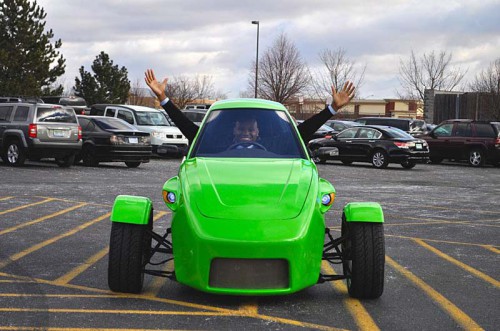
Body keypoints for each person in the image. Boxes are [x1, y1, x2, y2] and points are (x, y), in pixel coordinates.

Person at [144, 69, 355, 144]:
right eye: (242, 129)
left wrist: (332, 109)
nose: (246, 133)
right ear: (233, 129)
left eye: (250, 129)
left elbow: (303, 132)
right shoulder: (214, 146)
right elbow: (186, 126)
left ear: (258, 131)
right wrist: (163, 98)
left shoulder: (276, 146)